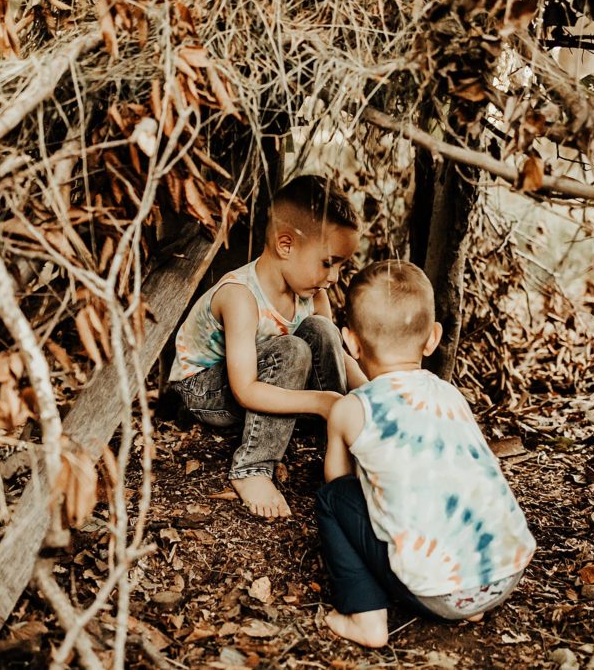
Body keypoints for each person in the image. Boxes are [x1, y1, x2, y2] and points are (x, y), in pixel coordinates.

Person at [317, 260, 535, 647]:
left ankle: (365, 618)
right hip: (507, 573)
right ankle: (473, 597)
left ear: (349, 342)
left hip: (439, 593)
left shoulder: (351, 408)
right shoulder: (449, 396)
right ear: (433, 338)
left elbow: (339, 481)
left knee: (332, 501)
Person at [169, 175, 368, 518]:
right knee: (292, 348)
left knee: (321, 329)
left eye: (341, 265)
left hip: (263, 377)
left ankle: (341, 444)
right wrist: (321, 401)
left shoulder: (314, 293)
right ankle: (252, 469)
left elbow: (338, 355)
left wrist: (374, 395)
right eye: (328, 262)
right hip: (204, 390)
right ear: (286, 245)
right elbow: (244, 389)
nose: (334, 277)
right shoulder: (240, 296)